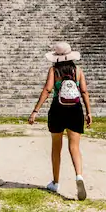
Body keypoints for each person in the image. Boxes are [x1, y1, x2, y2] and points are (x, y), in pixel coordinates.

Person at [28, 41, 93, 201]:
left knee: (56, 148)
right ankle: (79, 176)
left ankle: (56, 182)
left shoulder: (54, 70)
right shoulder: (78, 71)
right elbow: (84, 91)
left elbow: (48, 89)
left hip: (58, 109)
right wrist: (89, 112)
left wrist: (35, 111)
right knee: (74, 147)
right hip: (76, 110)